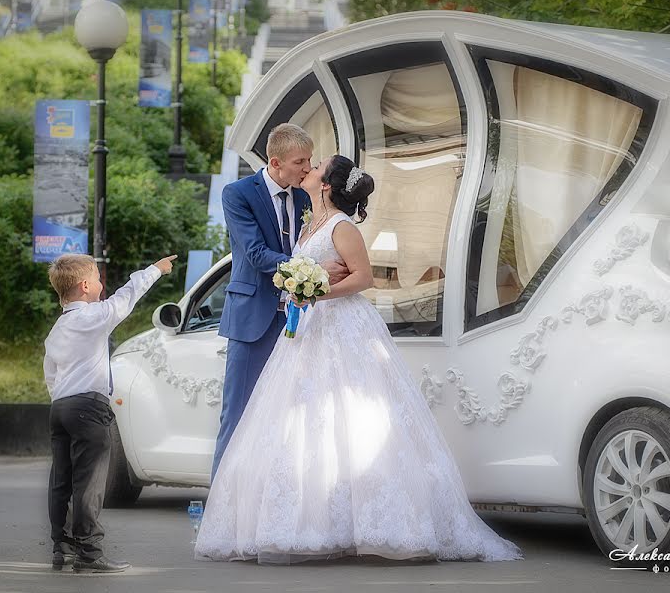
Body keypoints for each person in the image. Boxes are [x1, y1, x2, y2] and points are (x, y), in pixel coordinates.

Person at [194, 156, 521, 563]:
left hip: (343, 326)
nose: (308, 170)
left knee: (353, 419)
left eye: (315, 167)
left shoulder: (341, 227)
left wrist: (315, 292)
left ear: (327, 185)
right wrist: (307, 284)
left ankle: (371, 522)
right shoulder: (310, 219)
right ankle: (319, 519)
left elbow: (362, 278)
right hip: (309, 329)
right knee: (305, 423)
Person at [212, 123, 346, 481]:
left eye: (309, 160)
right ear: (275, 162)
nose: (307, 167)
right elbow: (255, 254)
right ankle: (220, 515)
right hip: (251, 321)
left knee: (283, 419)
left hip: (297, 323)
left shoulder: (304, 198)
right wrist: (314, 267)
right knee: (237, 415)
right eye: (300, 161)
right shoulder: (237, 194)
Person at [44, 253, 176, 573]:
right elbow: (126, 297)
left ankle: (61, 545)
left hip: (60, 408)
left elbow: (50, 372)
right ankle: (89, 550)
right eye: (99, 278)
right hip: (89, 408)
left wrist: (61, 398)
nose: (104, 285)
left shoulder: (58, 328)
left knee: (61, 479)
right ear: (85, 286)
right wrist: (155, 270)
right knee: (90, 482)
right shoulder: (93, 317)